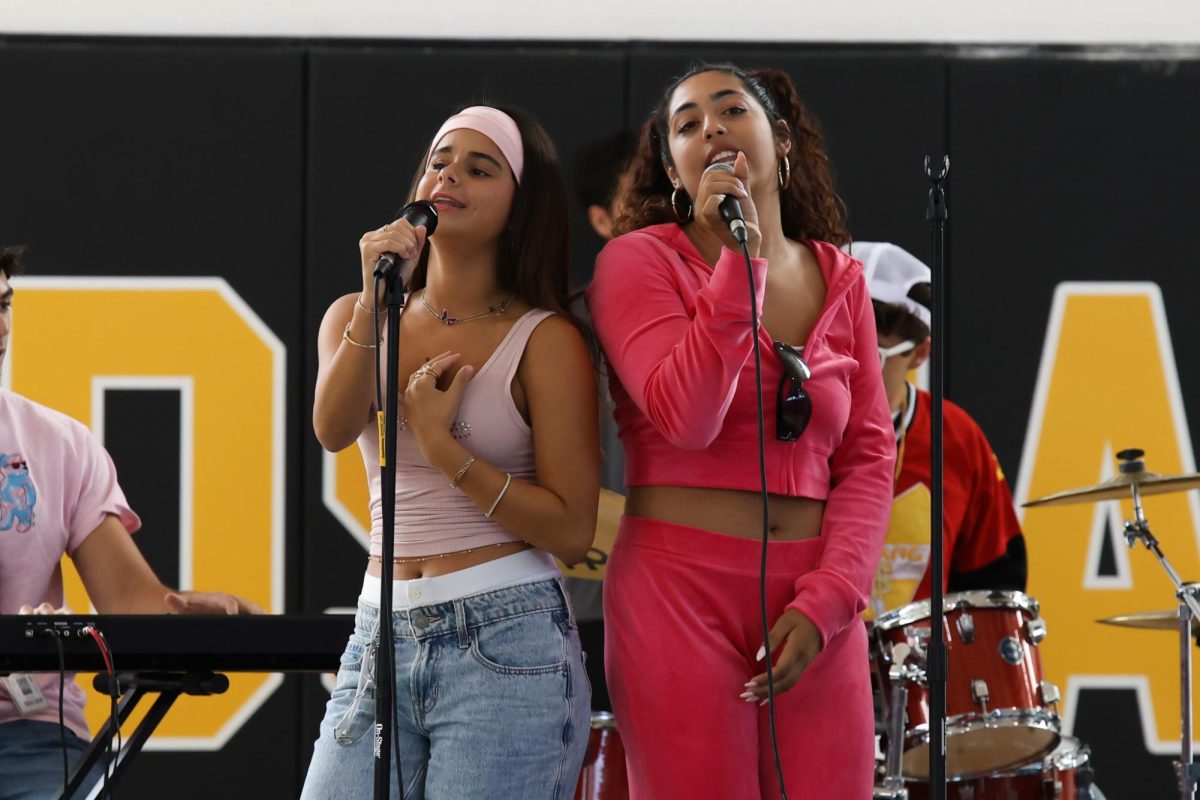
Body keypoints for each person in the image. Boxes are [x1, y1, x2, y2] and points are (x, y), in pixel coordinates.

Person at [586, 64, 896, 798]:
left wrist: (831, 599)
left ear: (779, 140)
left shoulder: (842, 278)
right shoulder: (635, 263)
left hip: (817, 606)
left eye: (731, 111)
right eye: (687, 125)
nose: (712, 129)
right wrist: (740, 262)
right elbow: (687, 417)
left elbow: (870, 457)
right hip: (676, 594)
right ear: (672, 167)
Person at [304, 105, 599, 799]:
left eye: (479, 167)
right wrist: (376, 304)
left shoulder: (545, 338)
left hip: (507, 635)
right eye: (439, 159)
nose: (449, 175)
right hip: (379, 631)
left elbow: (573, 529)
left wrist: (445, 449)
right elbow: (332, 426)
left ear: (519, 206)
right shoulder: (359, 312)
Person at [0, 246, 262, 800]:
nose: (1, 327)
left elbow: (130, 601)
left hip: (32, 735)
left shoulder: (59, 442)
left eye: (4, 305)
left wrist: (192, 614)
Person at [848, 241, 1026, 619]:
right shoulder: (790, 427)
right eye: (837, 345)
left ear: (919, 354)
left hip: (918, 670)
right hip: (802, 667)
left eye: (873, 354)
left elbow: (994, 583)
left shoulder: (955, 438)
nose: (850, 368)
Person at [568, 128, 639, 713]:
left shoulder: (736, 315)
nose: (658, 211)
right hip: (572, 614)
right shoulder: (555, 330)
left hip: (690, 612)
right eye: (636, 197)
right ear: (599, 219)